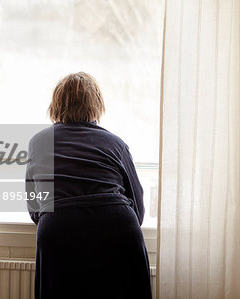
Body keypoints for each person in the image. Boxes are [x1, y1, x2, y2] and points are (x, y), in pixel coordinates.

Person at [26, 72, 152, 299]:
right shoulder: (116, 144)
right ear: (96, 105)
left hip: (60, 228)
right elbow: (138, 206)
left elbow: (35, 207)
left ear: (55, 105)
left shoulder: (39, 142)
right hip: (116, 225)